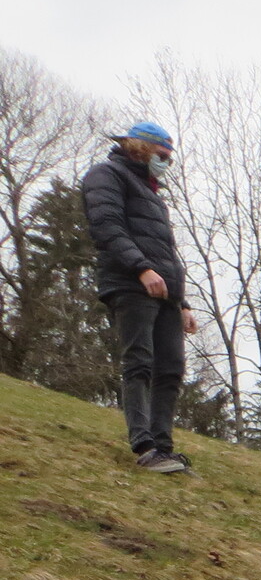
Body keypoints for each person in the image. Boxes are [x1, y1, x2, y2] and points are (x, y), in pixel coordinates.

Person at [82, 121, 197, 474]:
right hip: (131, 283)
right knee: (139, 362)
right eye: (163, 155)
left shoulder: (153, 195)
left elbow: (166, 251)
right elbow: (107, 227)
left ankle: (164, 449)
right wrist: (141, 268)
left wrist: (182, 302)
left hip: (165, 293)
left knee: (171, 370)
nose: (167, 163)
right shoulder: (106, 175)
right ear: (141, 148)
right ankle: (144, 447)